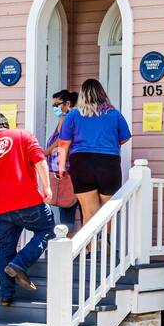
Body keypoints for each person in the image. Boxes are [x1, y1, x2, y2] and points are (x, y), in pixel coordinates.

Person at [0, 111, 55, 306]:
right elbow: (39, 160)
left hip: (0, 208)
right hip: (28, 201)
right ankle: (19, 264)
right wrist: (47, 187)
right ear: (5, 125)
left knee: (5, 247)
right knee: (46, 229)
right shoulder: (23, 135)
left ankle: (6, 295)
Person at [55, 78, 132, 224]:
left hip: (81, 163)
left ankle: (91, 247)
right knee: (108, 212)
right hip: (108, 163)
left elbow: (64, 143)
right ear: (102, 94)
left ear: (82, 95)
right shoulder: (114, 114)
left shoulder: (73, 114)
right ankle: (106, 245)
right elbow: (124, 138)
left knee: (89, 213)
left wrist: (61, 167)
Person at [45, 89, 80, 229]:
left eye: (57, 105)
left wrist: (45, 152)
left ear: (67, 104)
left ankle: (70, 247)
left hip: (66, 173)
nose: (55, 108)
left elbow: (62, 141)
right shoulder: (66, 118)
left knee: (66, 218)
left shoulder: (67, 118)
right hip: (65, 172)